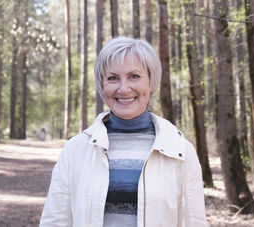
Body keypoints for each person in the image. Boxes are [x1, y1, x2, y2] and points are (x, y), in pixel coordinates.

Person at [40, 37, 208, 227]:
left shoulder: (180, 151)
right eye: (113, 78)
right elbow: (55, 221)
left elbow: (194, 222)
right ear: (102, 86)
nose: (124, 88)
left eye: (134, 76)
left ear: (151, 82)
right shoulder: (76, 150)